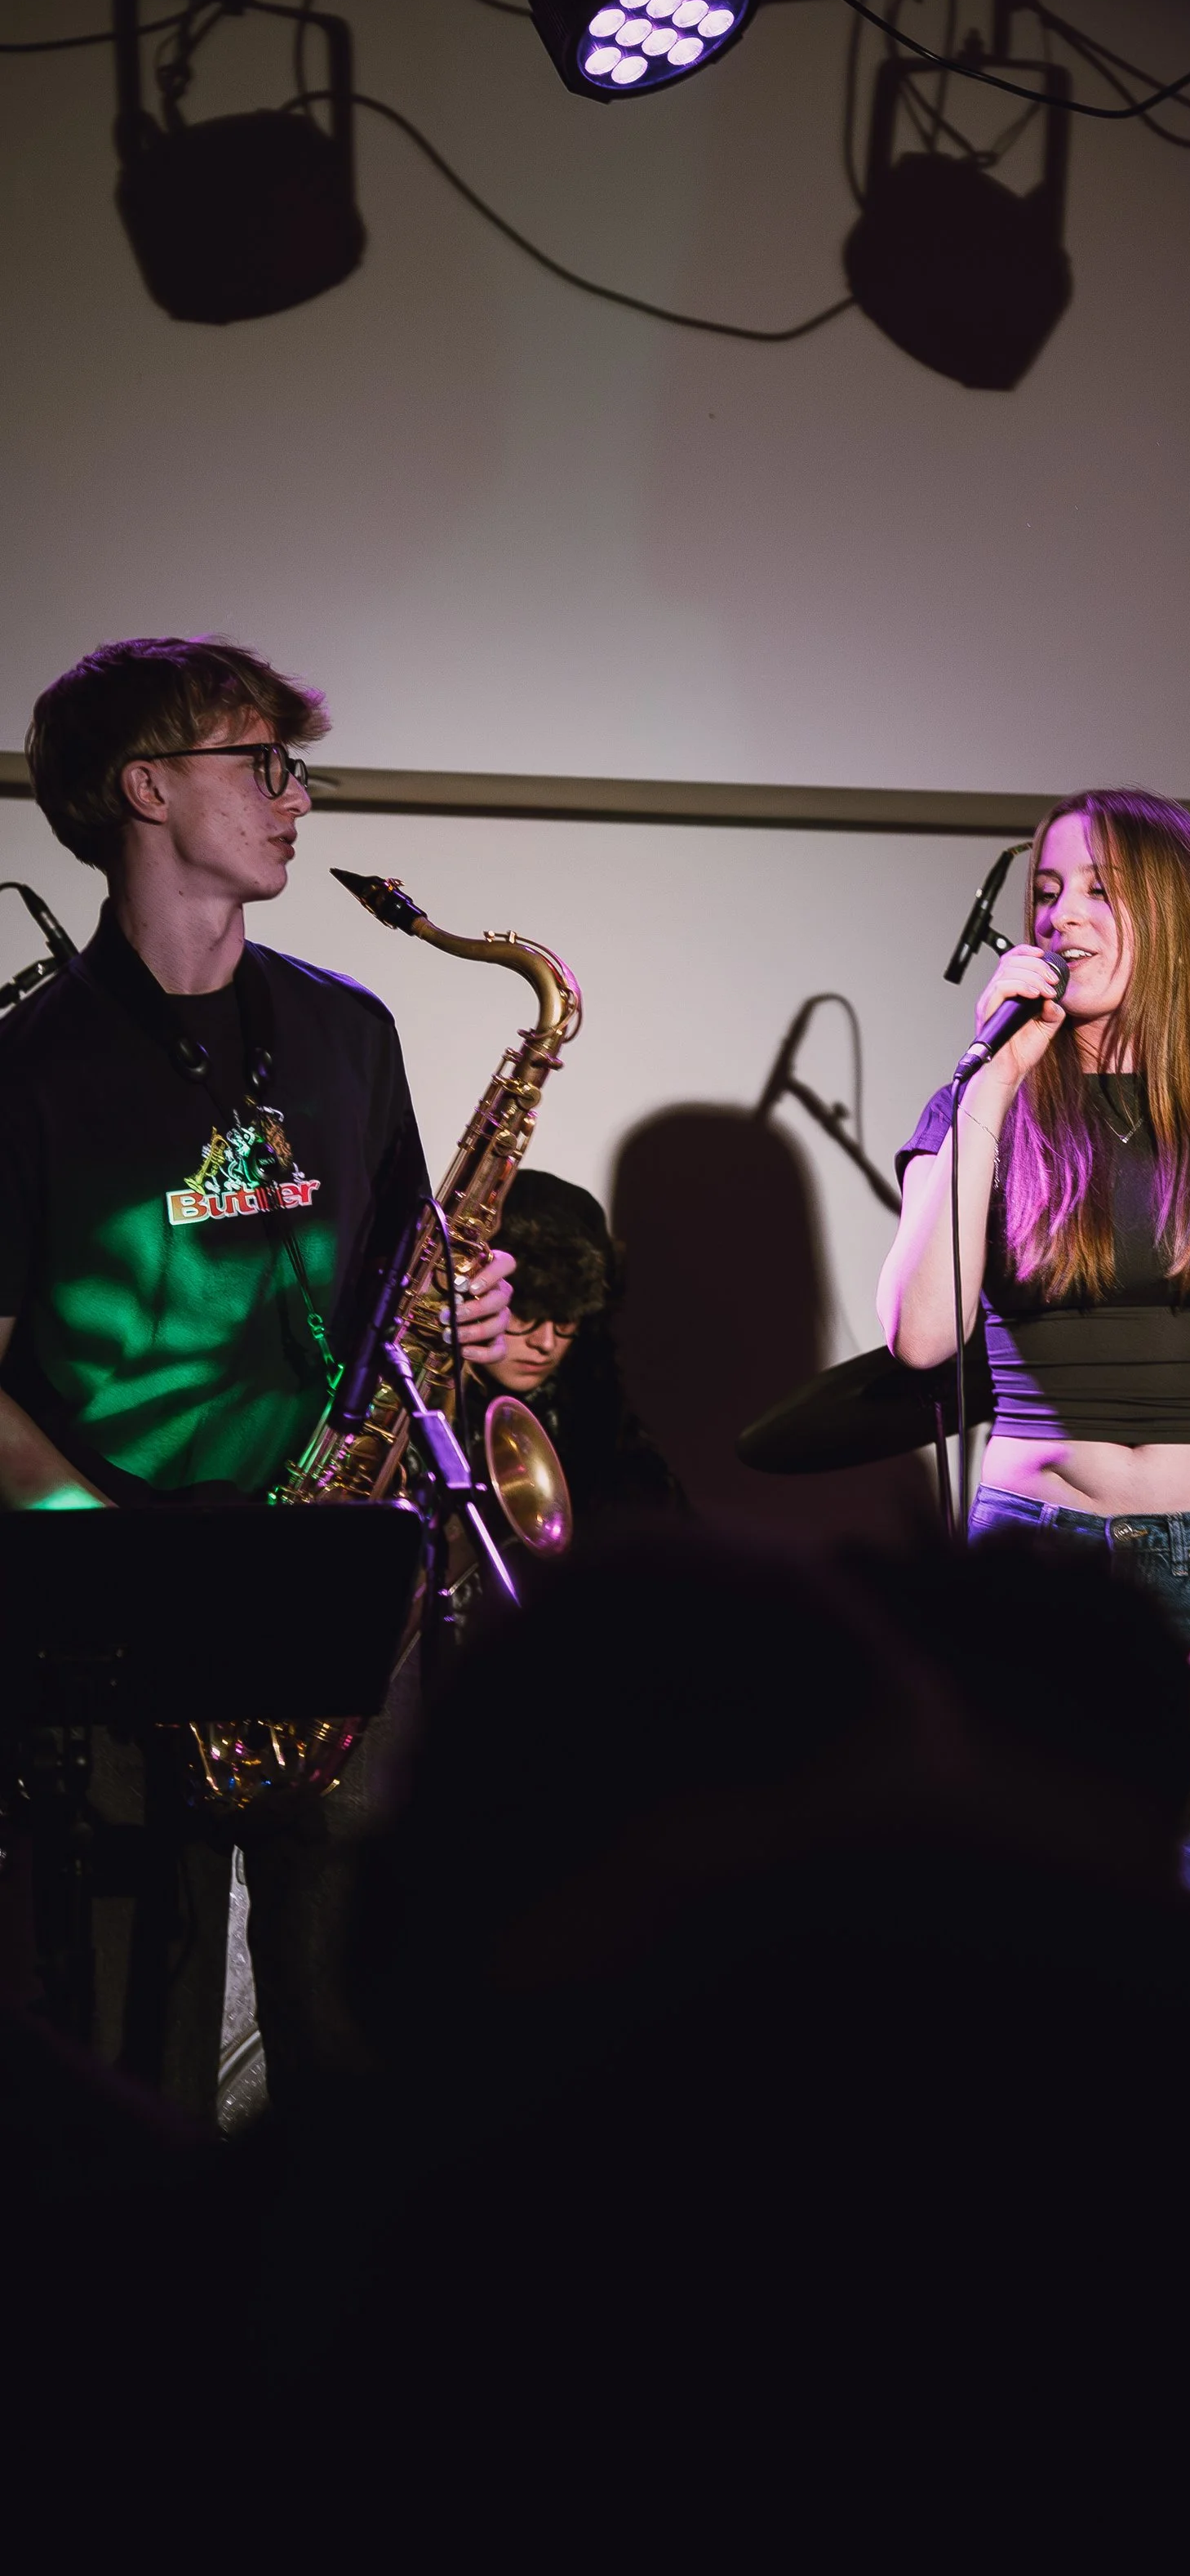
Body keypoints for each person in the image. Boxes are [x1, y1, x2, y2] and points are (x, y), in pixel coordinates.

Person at [0, 635, 513, 2110]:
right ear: (146, 787)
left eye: (298, 767)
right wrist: (107, 1565)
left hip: (340, 1598)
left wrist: (454, 1310)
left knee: (359, 2060)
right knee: (130, 2072)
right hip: (120, 1627)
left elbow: (394, 1286)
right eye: (263, 764)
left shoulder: (348, 1030)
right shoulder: (26, 1076)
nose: (297, 798)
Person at [878, 787, 1190, 1997]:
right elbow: (919, 1336)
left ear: (1175, 913)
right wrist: (987, 1086)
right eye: (1047, 891)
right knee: (1019, 1964)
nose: (1063, 916)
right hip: (1034, 1565)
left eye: (1098, 889)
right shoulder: (988, 1101)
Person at [462, 1167, 682, 1518]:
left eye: (565, 1318)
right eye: (524, 1313)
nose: (546, 1343)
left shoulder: (601, 1415)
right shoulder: (420, 1406)